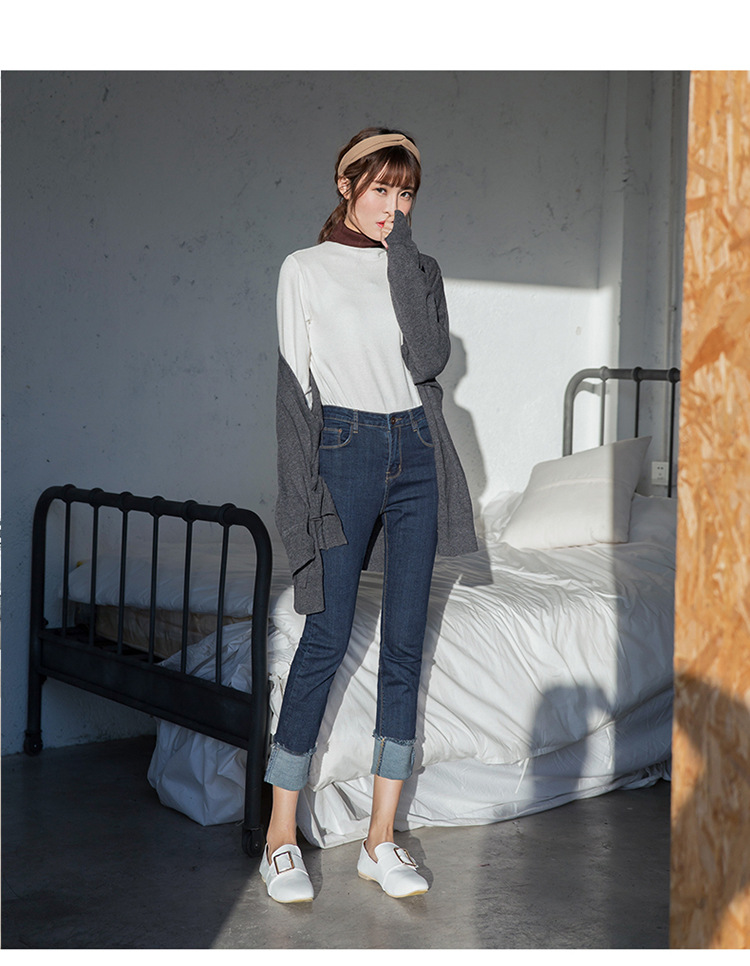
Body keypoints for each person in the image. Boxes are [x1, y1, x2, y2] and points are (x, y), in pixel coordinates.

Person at [261, 127, 477, 903]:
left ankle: (381, 840)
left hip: (416, 450)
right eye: (382, 188)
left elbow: (427, 359)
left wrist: (400, 252)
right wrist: (301, 504)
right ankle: (280, 836)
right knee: (325, 635)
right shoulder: (304, 269)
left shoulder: (417, 268)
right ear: (346, 185)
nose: (394, 205)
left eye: (406, 192)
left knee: (405, 645)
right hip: (343, 449)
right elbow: (295, 398)